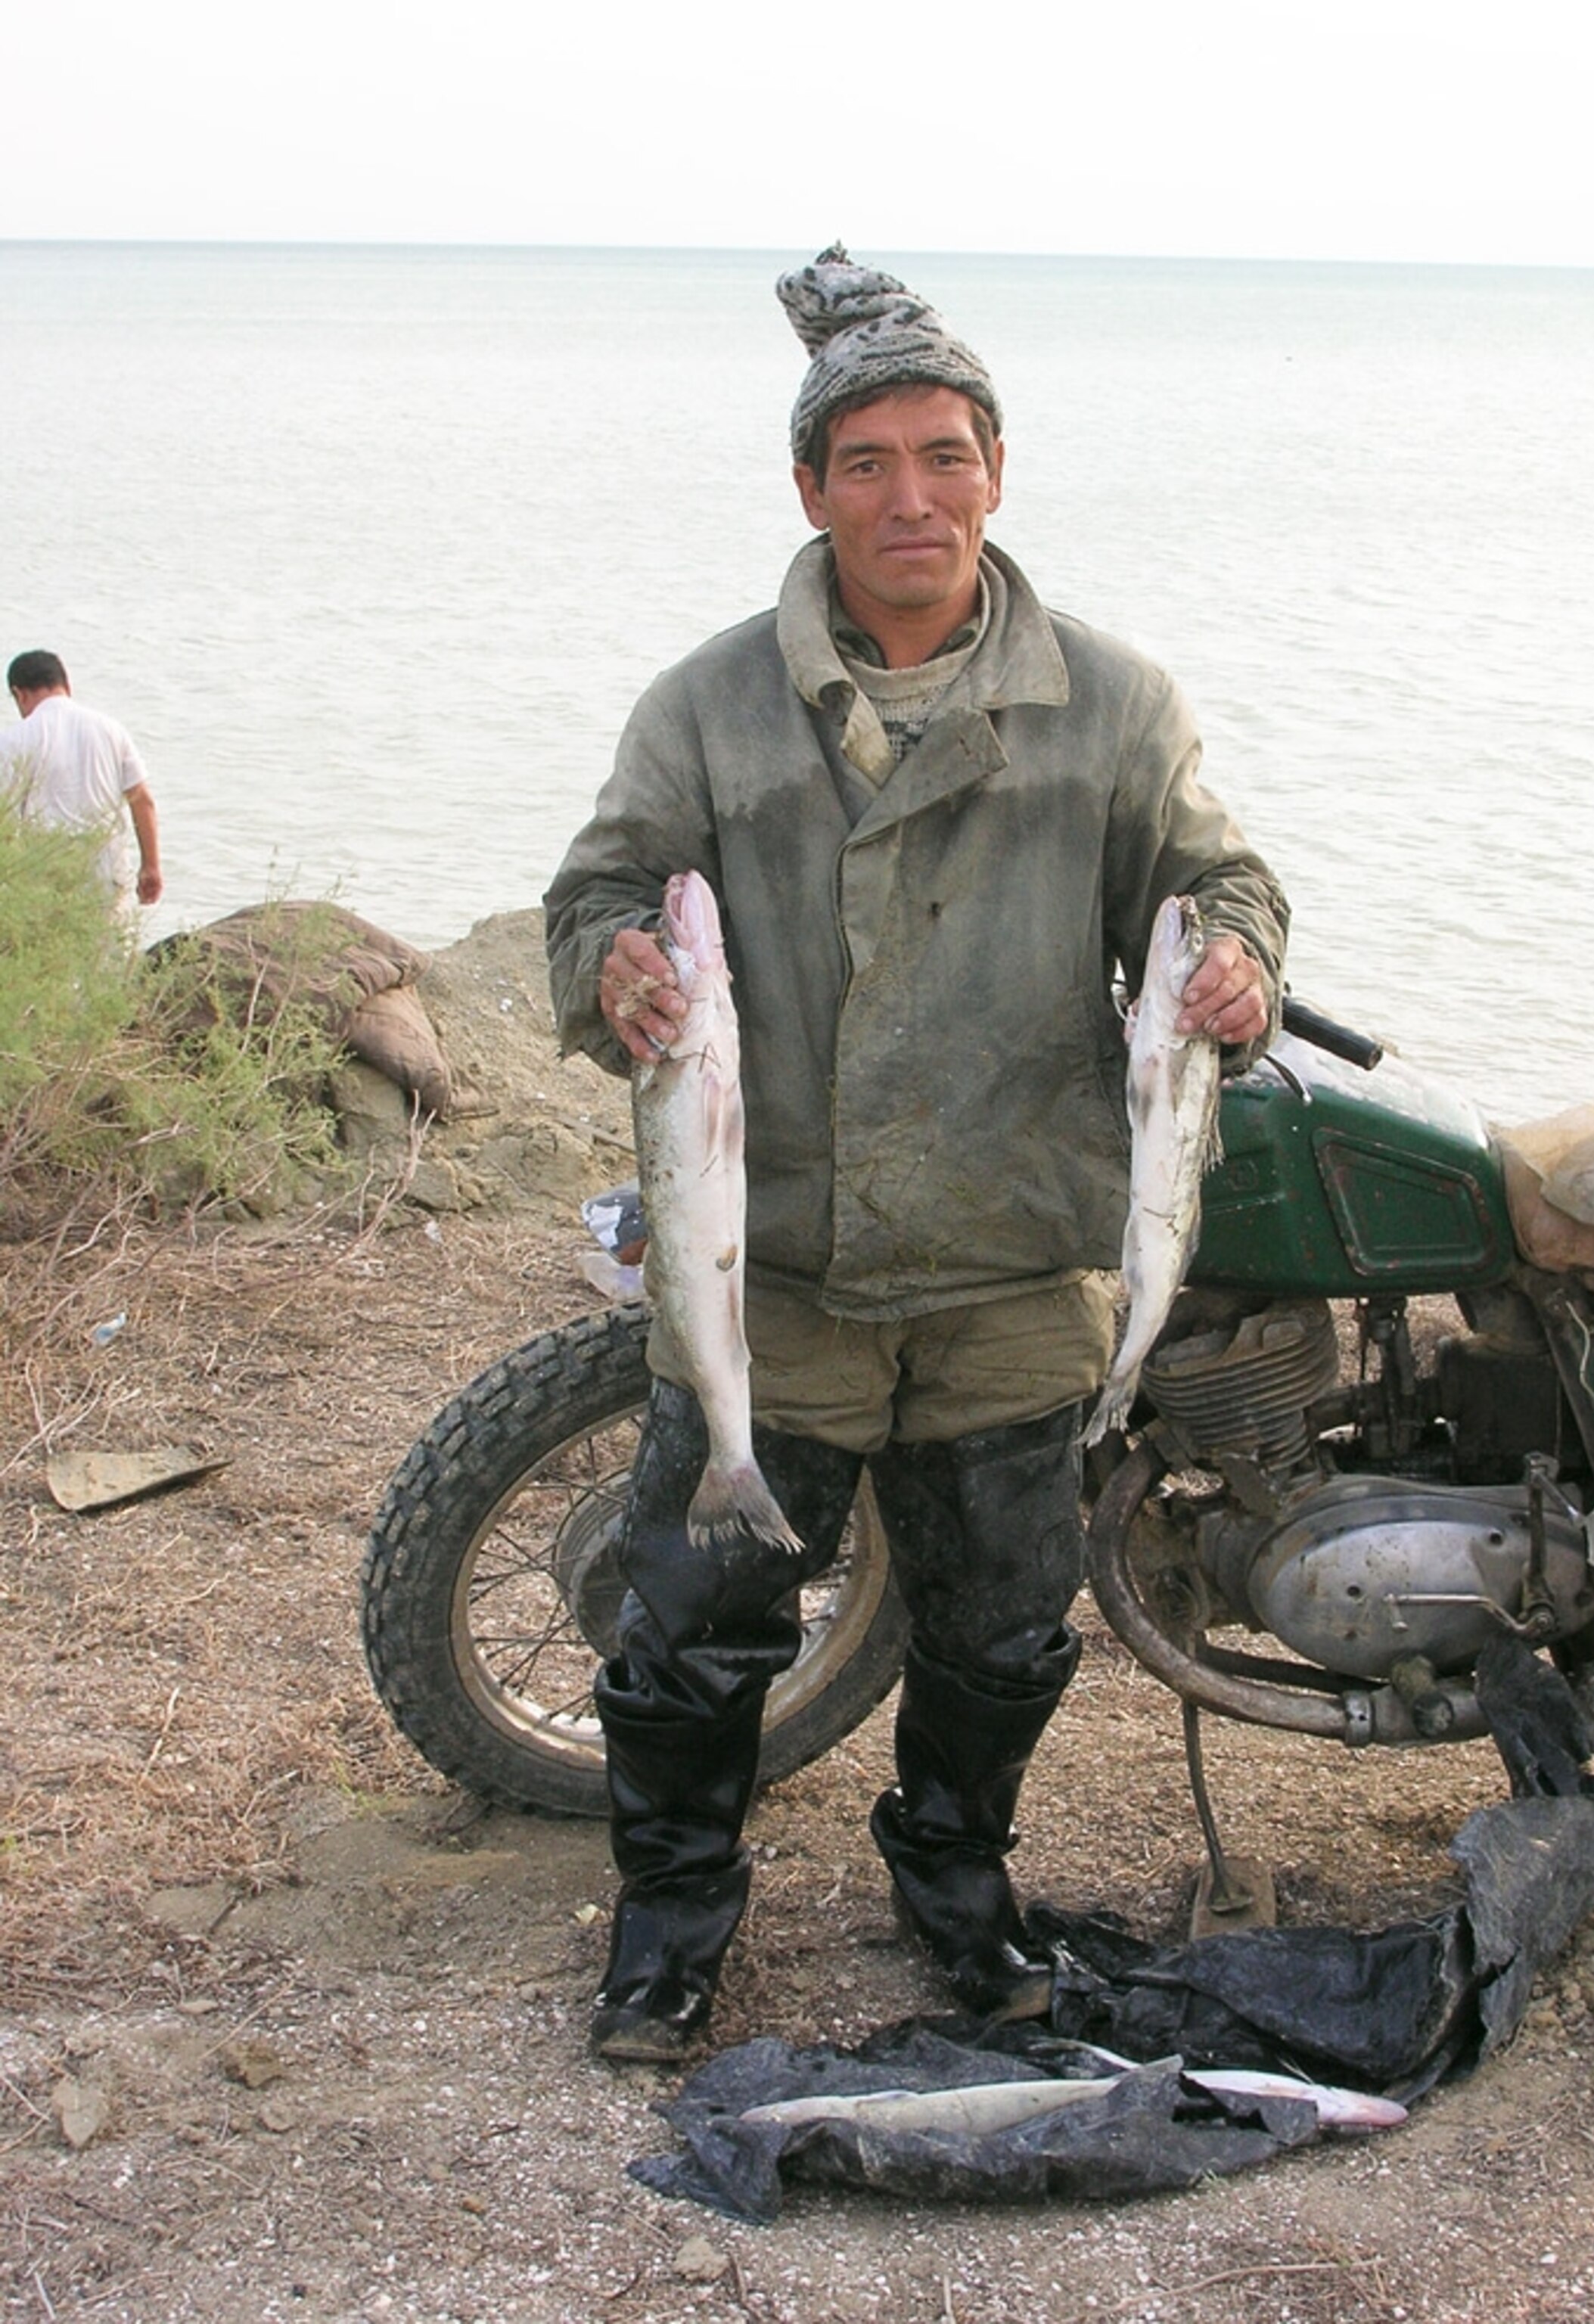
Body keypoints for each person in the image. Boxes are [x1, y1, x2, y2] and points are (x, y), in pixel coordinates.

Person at [545, 247, 1289, 2064]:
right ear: (808, 489)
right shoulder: (709, 706)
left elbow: (1226, 883)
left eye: (943, 455)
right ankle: (669, 1922)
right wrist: (615, 971)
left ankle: (952, 1886)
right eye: (865, 460)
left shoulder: (1111, 705)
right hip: (775, 1263)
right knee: (697, 1630)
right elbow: (595, 893)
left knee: (1001, 1633)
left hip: (1005, 1267)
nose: (909, 495)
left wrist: (1238, 966)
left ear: (997, 471)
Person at [3, 650, 163, 910]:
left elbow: (5, 821)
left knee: (51, 947)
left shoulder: (13, 741)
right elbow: (142, 800)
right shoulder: (111, 729)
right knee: (111, 948)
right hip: (106, 866)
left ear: (19, 694)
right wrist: (151, 866)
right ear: (67, 685)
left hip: (45, 870)